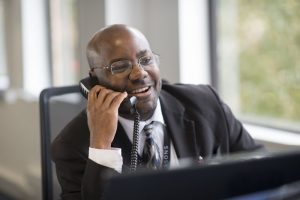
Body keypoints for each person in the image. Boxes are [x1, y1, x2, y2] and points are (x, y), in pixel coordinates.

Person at [51, 24, 263, 200]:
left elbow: (261, 168)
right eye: (120, 66)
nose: (139, 73)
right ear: (95, 80)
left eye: (146, 60)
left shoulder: (206, 103)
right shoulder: (71, 145)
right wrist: (101, 146)